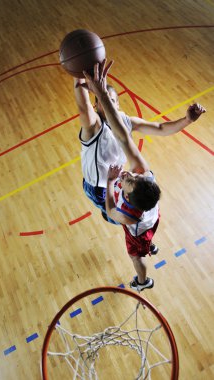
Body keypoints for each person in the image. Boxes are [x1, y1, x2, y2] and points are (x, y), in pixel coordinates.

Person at [81, 59, 206, 291]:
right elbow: (126, 137)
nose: (130, 173)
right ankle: (151, 244)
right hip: (152, 218)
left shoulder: (129, 217)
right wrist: (188, 120)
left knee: (136, 256)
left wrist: (110, 183)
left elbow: (110, 211)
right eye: (135, 176)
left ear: (126, 199)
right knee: (149, 227)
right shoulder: (144, 177)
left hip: (140, 230)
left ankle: (143, 281)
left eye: (127, 181)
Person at [74, 71, 206, 227]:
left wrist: (187, 120)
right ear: (95, 105)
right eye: (104, 100)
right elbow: (83, 107)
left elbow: (161, 128)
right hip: (99, 186)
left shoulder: (126, 121)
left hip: (121, 178)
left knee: (133, 209)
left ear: (117, 104)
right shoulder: (93, 126)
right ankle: (130, 225)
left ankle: (139, 230)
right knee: (117, 217)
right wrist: (78, 72)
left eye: (112, 100)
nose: (108, 103)